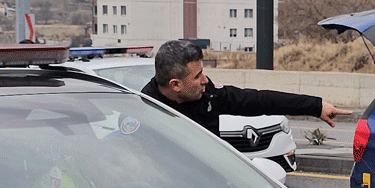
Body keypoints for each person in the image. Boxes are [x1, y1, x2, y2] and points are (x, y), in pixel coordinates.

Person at [140, 39, 351, 134]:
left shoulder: (209, 95)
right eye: (197, 76)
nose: (205, 80)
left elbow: (259, 100)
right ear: (175, 85)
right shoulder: (143, 113)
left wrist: (315, 106)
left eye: (203, 72)